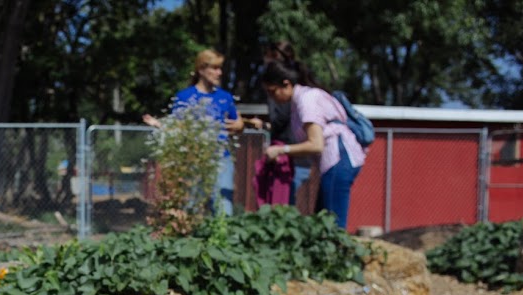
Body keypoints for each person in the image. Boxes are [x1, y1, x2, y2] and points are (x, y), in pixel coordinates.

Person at [260, 59, 366, 229]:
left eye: (273, 91)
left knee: (332, 224)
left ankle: (337, 253)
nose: (272, 98)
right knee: (321, 220)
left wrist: (281, 150)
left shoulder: (307, 100)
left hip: (338, 159)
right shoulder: (299, 100)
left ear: (286, 84)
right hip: (332, 162)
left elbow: (316, 144)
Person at [143, 49, 245, 216]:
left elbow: (237, 125)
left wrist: (240, 125)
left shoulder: (225, 97)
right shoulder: (185, 96)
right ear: (201, 69)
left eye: (220, 68)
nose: (219, 73)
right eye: (215, 68)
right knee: (190, 205)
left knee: (223, 207)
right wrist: (160, 125)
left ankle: (224, 241)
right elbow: (177, 127)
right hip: (193, 158)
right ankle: (191, 240)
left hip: (221, 158)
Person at [246, 42, 317, 208]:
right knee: (281, 206)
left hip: (289, 156)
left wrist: (278, 146)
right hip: (291, 154)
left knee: (281, 207)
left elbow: (281, 121)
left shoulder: (286, 93)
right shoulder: (296, 88)